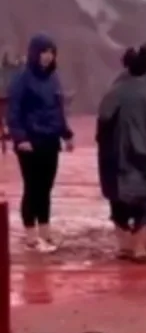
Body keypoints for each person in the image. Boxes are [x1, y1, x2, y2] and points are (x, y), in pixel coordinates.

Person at [96, 46, 146, 263]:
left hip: (115, 160)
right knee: (144, 205)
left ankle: (123, 247)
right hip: (144, 160)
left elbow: (103, 122)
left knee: (118, 203)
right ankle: (139, 249)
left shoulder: (114, 89)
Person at [5, 34, 74, 252]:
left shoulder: (53, 79)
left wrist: (66, 134)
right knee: (33, 187)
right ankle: (30, 234)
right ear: (35, 53)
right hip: (30, 142)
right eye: (44, 52)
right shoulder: (21, 79)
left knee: (46, 187)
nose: (48, 56)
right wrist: (20, 138)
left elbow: (58, 110)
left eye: (51, 52)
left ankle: (45, 230)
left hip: (50, 140)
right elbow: (13, 111)